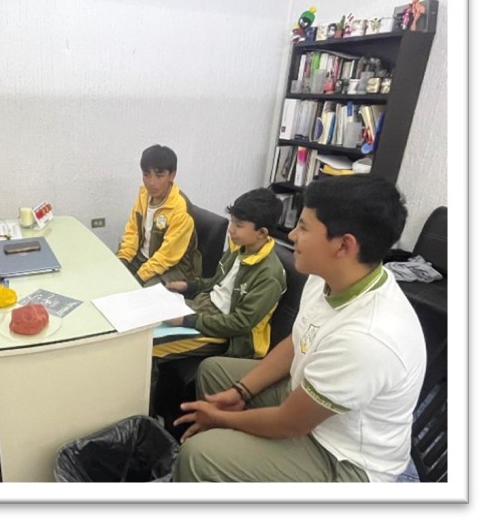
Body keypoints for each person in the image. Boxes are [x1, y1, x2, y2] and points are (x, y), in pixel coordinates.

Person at [172, 174, 426, 483]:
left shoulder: (367, 337)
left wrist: (221, 419)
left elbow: (290, 423)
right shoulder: (324, 276)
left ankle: (213, 463)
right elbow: (299, 339)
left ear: (343, 245)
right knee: (213, 372)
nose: (291, 235)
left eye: (303, 227)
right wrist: (241, 391)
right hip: (305, 398)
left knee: (198, 454)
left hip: (342, 458)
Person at [154, 188, 286, 362]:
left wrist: (187, 321)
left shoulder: (269, 275)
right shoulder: (240, 247)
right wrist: (188, 285)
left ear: (262, 232)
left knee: (149, 346)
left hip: (224, 332)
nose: (231, 230)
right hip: (203, 307)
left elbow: (239, 323)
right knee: (147, 319)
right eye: (232, 222)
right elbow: (217, 283)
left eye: (239, 225)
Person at [117, 144, 201, 287]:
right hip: (143, 258)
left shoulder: (180, 209)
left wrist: (139, 278)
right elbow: (132, 232)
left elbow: (166, 256)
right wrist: (123, 259)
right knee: (113, 275)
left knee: (143, 292)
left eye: (159, 175)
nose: (151, 182)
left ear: (172, 175)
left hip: (174, 267)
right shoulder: (143, 195)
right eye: (146, 175)